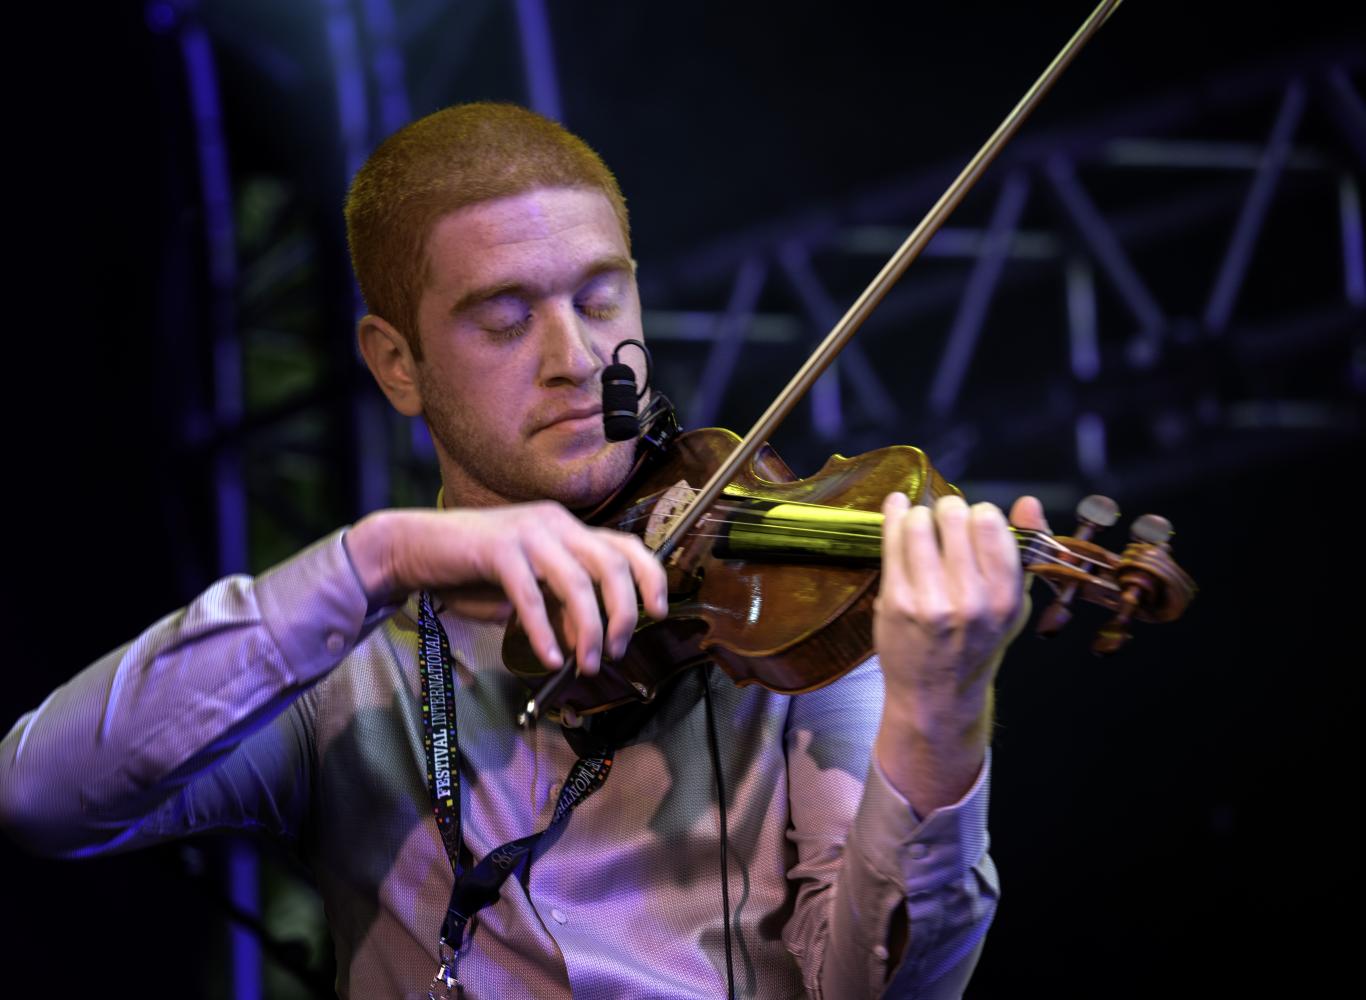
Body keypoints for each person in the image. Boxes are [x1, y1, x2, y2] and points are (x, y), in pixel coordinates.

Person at [0, 102, 1044, 999]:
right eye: (505, 319)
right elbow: (42, 794)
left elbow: (880, 987)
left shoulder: (781, 612)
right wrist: (377, 558)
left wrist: (936, 724)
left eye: (600, 298)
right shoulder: (344, 673)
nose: (577, 358)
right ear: (397, 365)